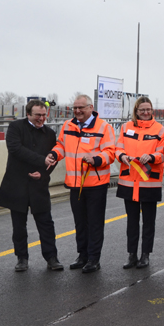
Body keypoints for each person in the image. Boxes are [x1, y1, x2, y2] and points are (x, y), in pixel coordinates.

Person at [46, 94, 115, 274]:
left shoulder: (104, 127)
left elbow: (110, 152)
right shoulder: (68, 125)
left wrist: (96, 159)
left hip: (95, 183)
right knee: (80, 222)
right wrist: (54, 154)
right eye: (75, 108)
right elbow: (61, 145)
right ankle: (82, 255)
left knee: (94, 222)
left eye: (81, 108)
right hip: (75, 183)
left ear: (90, 108)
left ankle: (94, 258)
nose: (77, 111)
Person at [0, 99, 63, 272]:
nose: (41, 118)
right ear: (28, 114)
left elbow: (53, 158)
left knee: (46, 223)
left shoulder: (49, 133)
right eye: (37, 115)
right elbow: (15, 149)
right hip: (17, 184)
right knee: (19, 225)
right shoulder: (16, 128)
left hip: (38, 184)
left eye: (43, 115)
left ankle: (51, 257)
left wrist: (44, 172)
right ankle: (22, 258)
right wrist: (41, 160)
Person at [116, 97, 164, 270]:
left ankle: (145, 255)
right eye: (142, 109)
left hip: (148, 182)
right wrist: (122, 156)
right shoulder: (125, 127)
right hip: (129, 182)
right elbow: (118, 148)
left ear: (152, 111)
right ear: (136, 111)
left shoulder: (160, 130)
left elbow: (162, 154)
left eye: (148, 109)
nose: (146, 112)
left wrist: (151, 157)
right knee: (132, 221)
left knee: (148, 222)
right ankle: (132, 255)